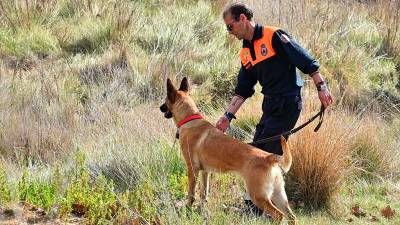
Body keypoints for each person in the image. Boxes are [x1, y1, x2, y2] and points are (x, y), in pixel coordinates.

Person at [215, 2, 333, 215]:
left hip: (289, 102)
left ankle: (257, 210)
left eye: (229, 27)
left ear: (242, 19)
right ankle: (263, 205)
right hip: (270, 104)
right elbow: (243, 89)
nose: (229, 32)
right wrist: (227, 116)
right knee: (258, 152)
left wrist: (321, 87)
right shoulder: (245, 53)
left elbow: (304, 60)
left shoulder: (274, 36)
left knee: (262, 153)